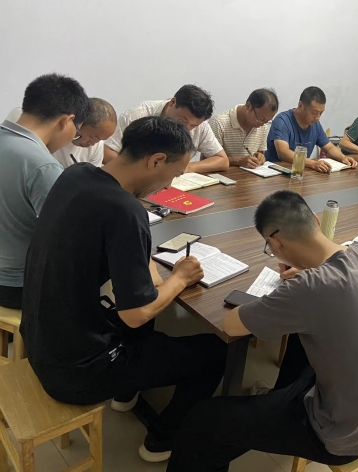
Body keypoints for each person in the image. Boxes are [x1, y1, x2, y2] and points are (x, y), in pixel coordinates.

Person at [21, 116, 227, 463]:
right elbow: (136, 314)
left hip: (39, 339)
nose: (168, 185)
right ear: (156, 160)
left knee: (143, 307)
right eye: (174, 174)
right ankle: (162, 439)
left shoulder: (75, 175)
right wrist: (179, 277)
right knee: (213, 351)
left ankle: (127, 392)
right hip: (74, 373)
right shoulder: (126, 210)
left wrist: (146, 262)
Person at [167, 190, 358, 472]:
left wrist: (294, 290)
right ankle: (274, 403)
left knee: (204, 420)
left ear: (275, 243)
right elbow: (334, 277)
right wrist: (305, 276)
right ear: (315, 220)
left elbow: (230, 324)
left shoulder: (309, 288)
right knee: (301, 336)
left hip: (340, 435)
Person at [0, 73, 90, 309]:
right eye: (77, 132)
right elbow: (65, 239)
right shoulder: (42, 165)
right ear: (66, 121)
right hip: (16, 286)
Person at [104, 85, 229, 173]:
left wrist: (186, 168)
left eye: (193, 125)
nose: (186, 128)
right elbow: (107, 152)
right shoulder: (137, 115)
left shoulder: (200, 125)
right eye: (182, 120)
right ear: (172, 102)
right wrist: (140, 172)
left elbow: (222, 160)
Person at [265, 86, 357, 173]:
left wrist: (343, 157)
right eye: (314, 112)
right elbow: (283, 152)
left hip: (301, 173)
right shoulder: (282, 121)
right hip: (277, 172)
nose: (318, 117)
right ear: (300, 105)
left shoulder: (315, 124)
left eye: (321, 113)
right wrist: (312, 163)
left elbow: (329, 147)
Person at [6, 98, 117, 168]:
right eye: (92, 136)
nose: (93, 143)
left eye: (100, 140)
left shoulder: (96, 147)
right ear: (80, 122)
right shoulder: (51, 129)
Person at [209, 88, 278, 169]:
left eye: (267, 121)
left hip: (249, 174)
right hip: (223, 174)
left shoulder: (262, 125)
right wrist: (237, 161)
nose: (262, 124)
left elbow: (259, 152)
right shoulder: (219, 123)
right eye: (260, 119)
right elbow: (208, 160)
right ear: (248, 106)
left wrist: (260, 156)